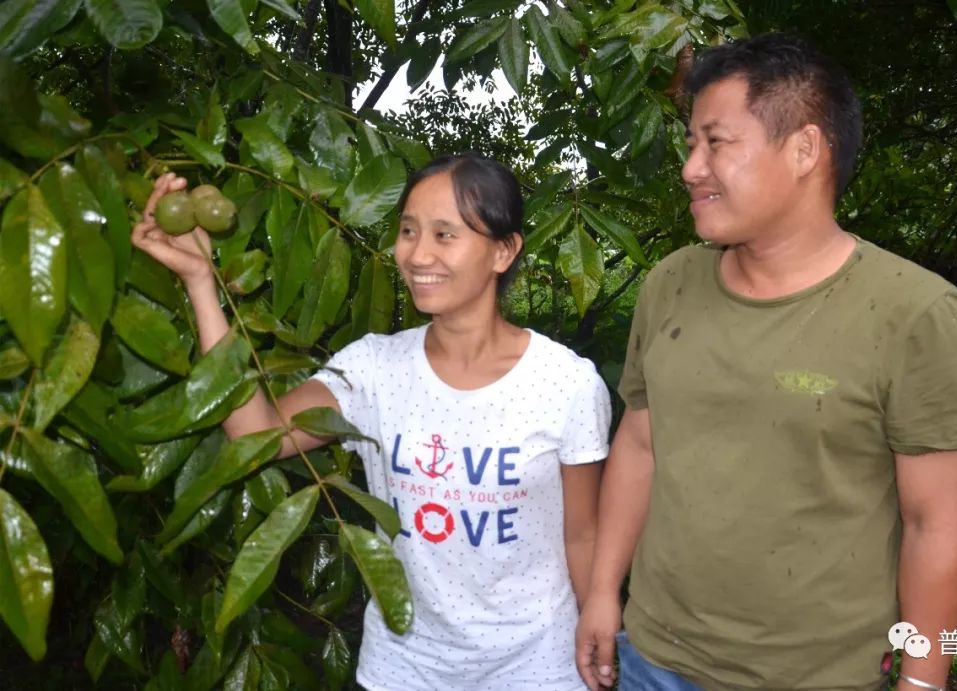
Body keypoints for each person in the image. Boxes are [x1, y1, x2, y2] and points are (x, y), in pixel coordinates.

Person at [575, 33, 957, 691]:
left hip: (821, 675)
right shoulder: (671, 284)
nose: (691, 168)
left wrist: (923, 682)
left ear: (804, 150)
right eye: (690, 145)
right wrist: (602, 589)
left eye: (717, 142)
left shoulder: (915, 314)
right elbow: (641, 441)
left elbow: (934, 524)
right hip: (654, 657)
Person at [133, 153, 611, 691]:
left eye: (444, 234)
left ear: (504, 251)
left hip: (537, 666)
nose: (417, 253)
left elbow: (584, 533)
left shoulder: (565, 384)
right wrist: (201, 280)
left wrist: (600, 612)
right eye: (408, 230)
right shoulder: (372, 369)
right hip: (405, 667)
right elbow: (255, 433)